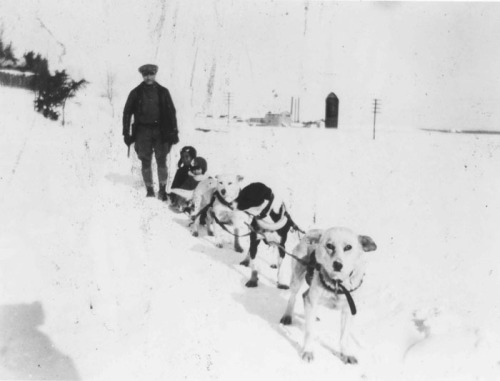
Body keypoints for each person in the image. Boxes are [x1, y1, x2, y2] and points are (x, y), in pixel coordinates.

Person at [122, 64, 179, 200]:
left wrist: (174, 132)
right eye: (145, 75)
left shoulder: (163, 92)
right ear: (142, 76)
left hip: (160, 131)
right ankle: (149, 189)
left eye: (151, 74)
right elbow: (127, 113)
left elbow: (171, 112)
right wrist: (126, 133)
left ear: (155, 74)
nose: (148, 77)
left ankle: (163, 190)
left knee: (162, 160)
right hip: (142, 131)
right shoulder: (135, 92)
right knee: (145, 161)